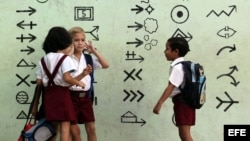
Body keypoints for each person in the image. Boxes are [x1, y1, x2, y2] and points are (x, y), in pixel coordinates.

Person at [34, 26, 92, 141]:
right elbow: (67, 78)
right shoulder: (65, 59)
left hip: (49, 96)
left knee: (51, 128)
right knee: (65, 126)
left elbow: (39, 82)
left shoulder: (43, 59)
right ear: (65, 42)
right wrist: (78, 82)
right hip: (62, 95)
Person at [68, 26, 109, 141]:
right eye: (76, 40)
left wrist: (94, 51)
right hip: (70, 97)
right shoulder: (67, 59)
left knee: (91, 128)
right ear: (70, 42)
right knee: (74, 130)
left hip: (86, 97)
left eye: (82, 40)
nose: (80, 43)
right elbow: (67, 80)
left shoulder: (88, 58)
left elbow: (106, 65)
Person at [153, 37, 194, 141]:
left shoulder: (178, 67)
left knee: (185, 136)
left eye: (167, 48)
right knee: (185, 135)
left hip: (182, 103)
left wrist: (159, 103)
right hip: (186, 102)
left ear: (176, 51)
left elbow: (171, 86)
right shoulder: (183, 66)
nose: (165, 51)